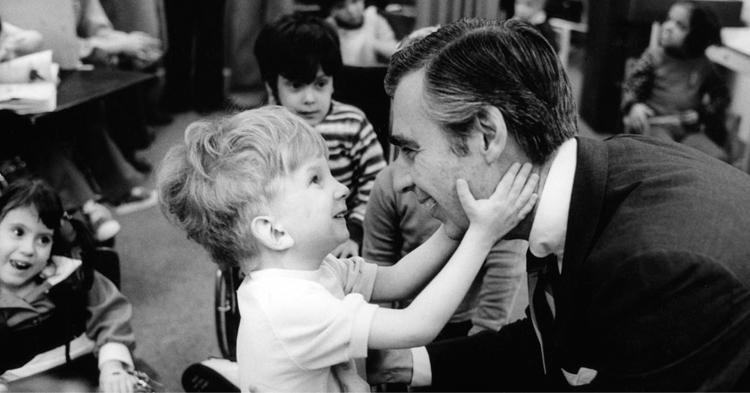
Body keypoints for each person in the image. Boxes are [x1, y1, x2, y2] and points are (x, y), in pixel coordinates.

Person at [366, 18, 750, 391]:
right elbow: (554, 347)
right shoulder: (584, 184)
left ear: (487, 135)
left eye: (410, 150)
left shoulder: (665, 269)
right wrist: (402, 362)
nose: (400, 177)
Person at [156, 105, 538, 392]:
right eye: (317, 180)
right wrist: (481, 236)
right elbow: (416, 326)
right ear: (274, 231)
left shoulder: (318, 270)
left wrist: (455, 229)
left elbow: (398, 280)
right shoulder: (291, 305)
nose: (341, 188)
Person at [254, 13, 387, 258]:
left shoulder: (352, 123)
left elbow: (376, 180)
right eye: (296, 86)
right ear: (272, 86)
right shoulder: (265, 133)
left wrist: (355, 231)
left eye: (320, 84)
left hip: (344, 236)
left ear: (333, 82)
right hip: (283, 240)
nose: (309, 98)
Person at [0, 179, 139, 392]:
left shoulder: (71, 276)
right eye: (18, 232)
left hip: (96, 377)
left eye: (44, 239)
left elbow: (111, 314)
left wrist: (113, 366)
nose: (29, 249)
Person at [363, 164, 527, 338]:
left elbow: (505, 265)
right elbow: (379, 260)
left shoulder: (484, 183)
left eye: (411, 151)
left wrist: (484, 332)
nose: (400, 181)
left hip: (468, 321)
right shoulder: (388, 183)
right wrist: (387, 340)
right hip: (408, 316)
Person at [621, 1, 730, 161]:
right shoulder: (653, 56)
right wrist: (634, 105)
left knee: (717, 158)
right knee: (668, 155)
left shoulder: (703, 65)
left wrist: (702, 114)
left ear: (697, 36)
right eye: (668, 19)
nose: (668, 27)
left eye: (680, 26)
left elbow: (721, 95)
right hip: (655, 124)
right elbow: (632, 85)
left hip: (688, 129)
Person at [320, 0, 399, 67]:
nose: (351, 10)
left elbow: (396, 51)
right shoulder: (327, 28)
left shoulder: (373, 18)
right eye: (340, 6)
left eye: (354, 1)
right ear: (331, 11)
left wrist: (374, 44)